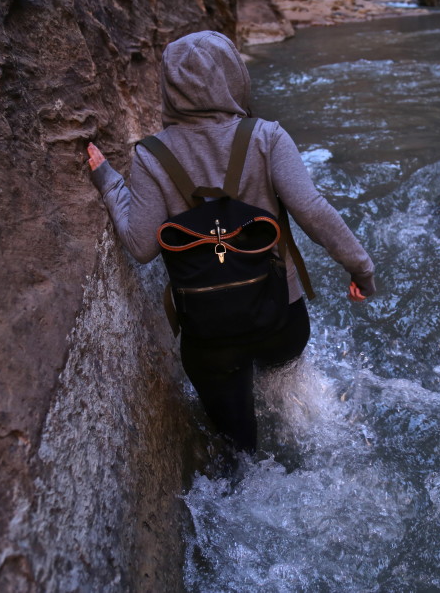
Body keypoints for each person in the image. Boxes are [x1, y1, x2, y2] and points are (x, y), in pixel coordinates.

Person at [86, 30, 376, 459]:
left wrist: (108, 180)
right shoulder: (267, 137)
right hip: (281, 320)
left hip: (209, 333)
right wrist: (361, 270)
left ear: (169, 88)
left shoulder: (151, 155)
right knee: (298, 422)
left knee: (240, 454)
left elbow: (141, 246)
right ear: (233, 78)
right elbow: (313, 211)